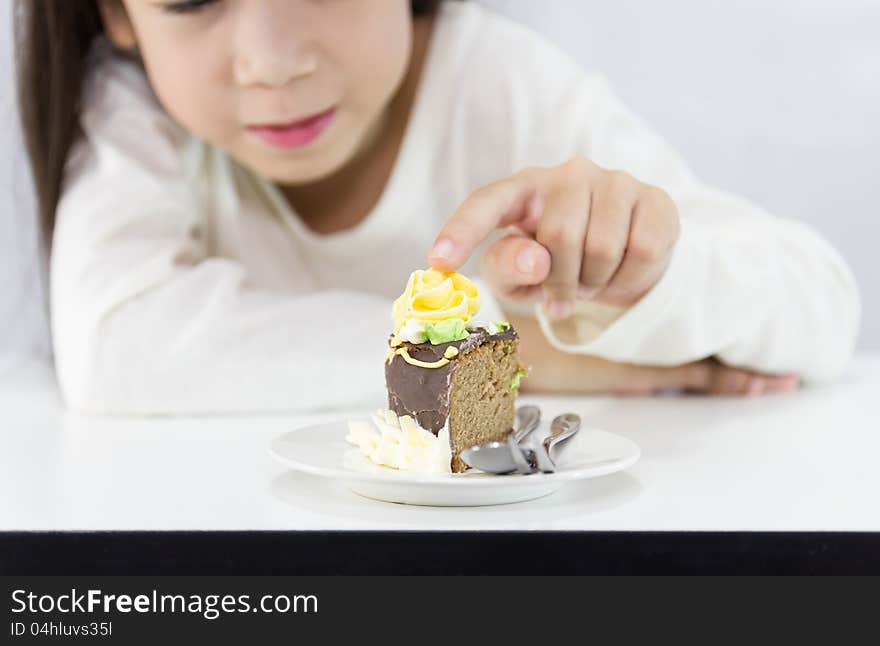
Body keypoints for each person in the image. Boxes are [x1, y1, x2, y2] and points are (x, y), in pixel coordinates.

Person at [15, 0, 859, 414]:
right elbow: (118, 347)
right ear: (117, 17)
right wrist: (513, 353)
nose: (270, 62)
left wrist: (648, 273)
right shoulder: (134, 114)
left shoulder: (502, 87)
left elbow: (819, 310)